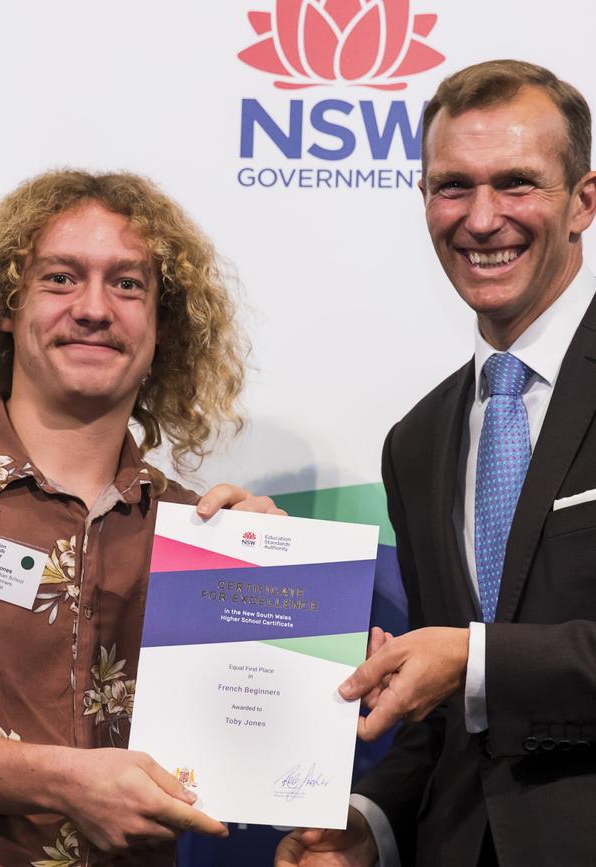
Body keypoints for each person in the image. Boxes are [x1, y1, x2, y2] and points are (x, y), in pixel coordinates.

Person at [276, 59, 596, 867]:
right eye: (453, 186)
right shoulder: (416, 441)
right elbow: (452, 723)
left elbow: (470, 669)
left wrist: (474, 655)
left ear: (584, 202)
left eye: (517, 184)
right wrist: (366, 823)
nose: (482, 219)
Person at [0, 169, 283, 866]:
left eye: (128, 284)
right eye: (61, 278)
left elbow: (264, 754)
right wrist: (64, 781)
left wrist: (279, 578)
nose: (94, 308)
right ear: (7, 307)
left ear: (165, 323)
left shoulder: (202, 535)